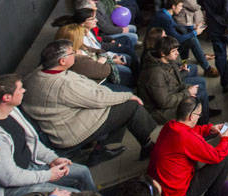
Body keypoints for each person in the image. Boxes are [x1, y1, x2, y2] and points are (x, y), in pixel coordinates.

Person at [0, 74, 95, 196]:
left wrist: (52, 159)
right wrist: (48, 175)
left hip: (31, 167)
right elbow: (9, 178)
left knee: (82, 172)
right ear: (7, 98)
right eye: (20, 89)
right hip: (12, 187)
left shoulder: (12, 112)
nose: (24, 90)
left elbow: (31, 142)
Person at [21, 40, 156, 161]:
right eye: (72, 53)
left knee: (118, 102)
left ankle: (101, 149)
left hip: (64, 120)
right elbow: (98, 99)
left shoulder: (35, 74)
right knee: (131, 105)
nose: (75, 54)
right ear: (62, 61)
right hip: (71, 130)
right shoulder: (62, 85)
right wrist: (128, 95)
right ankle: (148, 146)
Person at [147, 97, 228, 196]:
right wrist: (226, 138)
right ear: (191, 116)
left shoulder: (170, 126)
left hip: (159, 192)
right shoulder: (185, 138)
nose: (199, 117)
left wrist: (209, 130)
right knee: (223, 162)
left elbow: (191, 131)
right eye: (199, 114)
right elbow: (217, 155)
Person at [138, 37, 216, 125]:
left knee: (200, 88)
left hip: (171, 94)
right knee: (200, 94)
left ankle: (205, 113)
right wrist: (187, 92)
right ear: (163, 53)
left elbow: (177, 83)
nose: (177, 53)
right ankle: (203, 127)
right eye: (174, 51)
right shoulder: (155, 74)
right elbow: (164, 103)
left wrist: (188, 89)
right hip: (160, 111)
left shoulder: (168, 61)